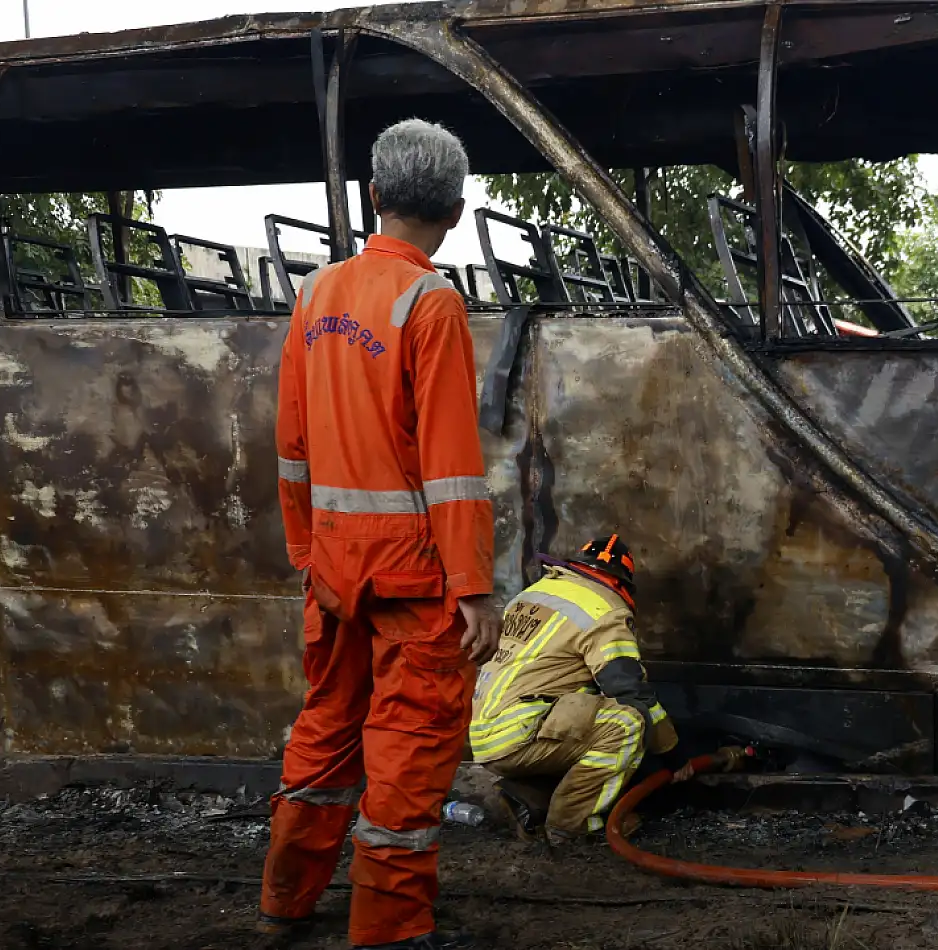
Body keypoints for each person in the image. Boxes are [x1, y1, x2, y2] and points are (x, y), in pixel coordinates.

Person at [260, 118, 501, 950]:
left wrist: (307, 552)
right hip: (415, 580)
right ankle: (391, 931)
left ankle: (287, 898)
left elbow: (292, 446)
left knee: (327, 726)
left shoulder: (314, 294)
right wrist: (473, 586)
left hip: (333, 571)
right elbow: (452, 467)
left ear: (373, 196)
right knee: (406, 749)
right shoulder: (430, 303)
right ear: (458, 212)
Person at [469, 534, 694, 849]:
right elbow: (629, 690)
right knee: (626, 724)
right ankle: (572, 826)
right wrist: (673, 753)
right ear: (621, 582)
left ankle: (524, 797)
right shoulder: (604, 608)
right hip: (522, 732)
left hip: (485, 732)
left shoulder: (535, 593)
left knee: (583, 710)